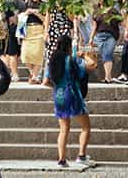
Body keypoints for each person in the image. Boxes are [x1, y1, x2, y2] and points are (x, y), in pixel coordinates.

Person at [47, 34, 93, 168]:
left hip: (59, 95)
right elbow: (89, 67)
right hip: (72, 95)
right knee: (85, 127)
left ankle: (62, 160)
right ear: (68, 46)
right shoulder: (70, 60)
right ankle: (81, 156)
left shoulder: (52, 61)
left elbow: (46, 81)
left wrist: (58, 86)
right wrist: (84, 56)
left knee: (63, 129)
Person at [20, 0, 46, 85]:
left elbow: (46, 20)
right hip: (27, 30)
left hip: (39, 29)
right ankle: (33, 74)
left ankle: (34, 77)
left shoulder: (44, 5)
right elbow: (20, 18)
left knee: (38, 54)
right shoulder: (26, 4)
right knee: (25, 55)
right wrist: (26, 13)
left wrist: (37, 13)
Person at [91, 5, 120, 84]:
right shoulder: (97, 11)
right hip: (100, 36)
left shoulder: (114, 11)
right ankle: (109, 77)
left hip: (111, 35)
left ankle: (107, 77)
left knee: (108, 54)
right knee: (105, 55)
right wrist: (91, 38)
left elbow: (120, 23)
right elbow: (94, 26)